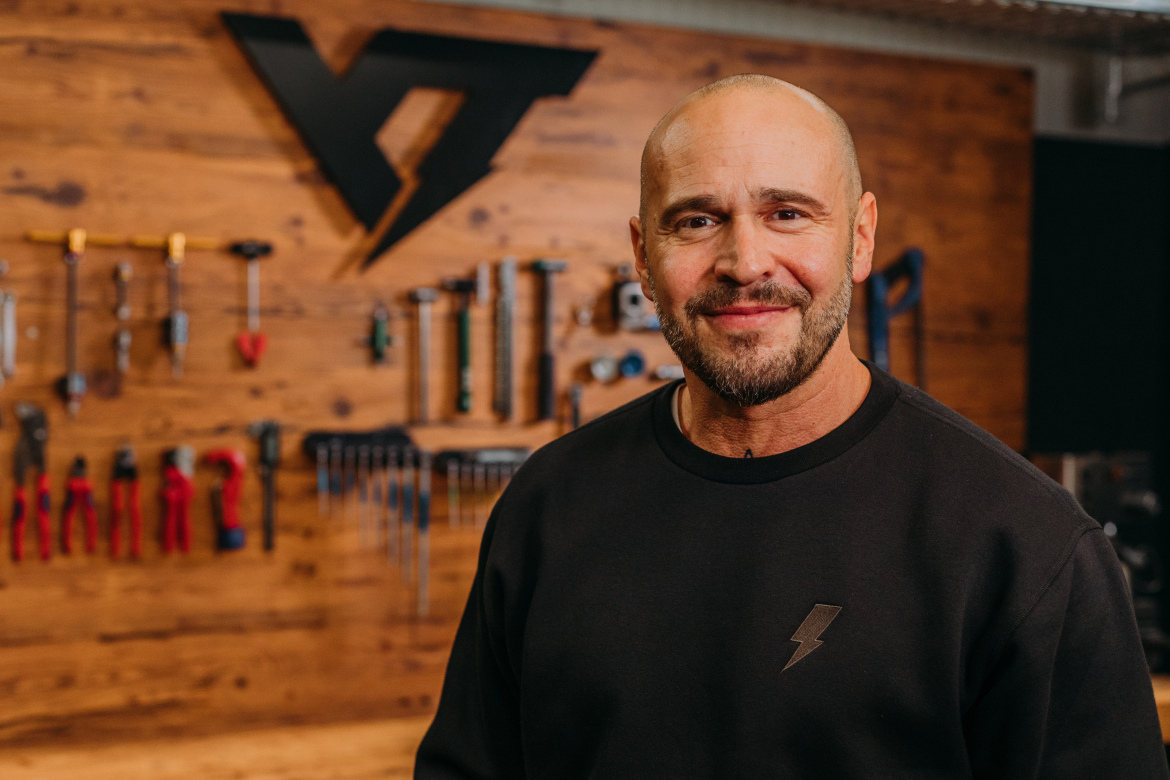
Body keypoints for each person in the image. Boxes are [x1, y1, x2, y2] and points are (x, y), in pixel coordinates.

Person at [415, 74, 1169, 778]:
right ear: (644, 257)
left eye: (787, 213)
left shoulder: (1023, 545)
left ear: (862, 237)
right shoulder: (550, 503)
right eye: (698, 220)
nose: (745, 261)